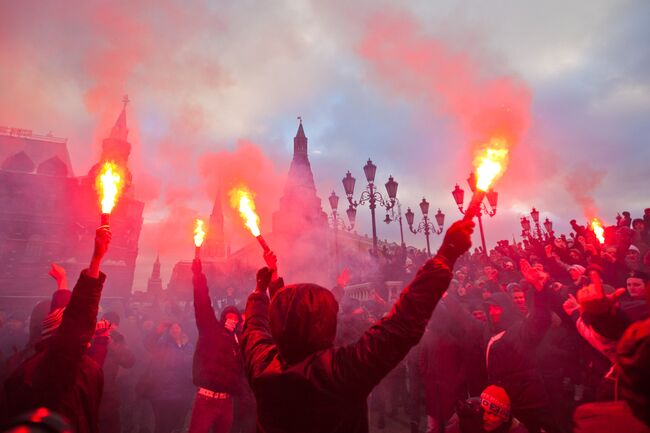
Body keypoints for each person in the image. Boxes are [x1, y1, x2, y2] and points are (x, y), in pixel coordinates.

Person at [241, 219, 474, 433]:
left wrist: (262, 289)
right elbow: (401, 324)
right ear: (324, 325)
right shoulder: (340, 372)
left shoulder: (262, 364)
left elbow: (255, 323)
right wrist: (446, 256)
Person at [4, 226, 112, 433]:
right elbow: (75, 322)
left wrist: (62, 284)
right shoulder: (51, 368)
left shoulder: (70, 364)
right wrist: (96, 260)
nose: (88, 335)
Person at [188, 258, 246, 433]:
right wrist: (198, 276)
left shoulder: (238, 341)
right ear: (223, 318)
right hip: (207, 400)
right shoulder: (211, 331)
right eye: (229, 317)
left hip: (227, 401)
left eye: (235, 319)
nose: (232, 321)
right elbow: (202, 304)